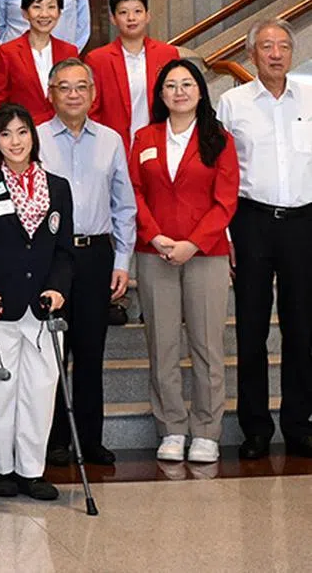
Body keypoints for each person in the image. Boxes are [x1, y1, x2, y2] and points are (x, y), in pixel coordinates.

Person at [0, 103, 75, 501]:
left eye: (22, 132)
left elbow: (65, 251)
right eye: (7, 134)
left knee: (40, 392)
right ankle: (1, 468)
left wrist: (59, 288)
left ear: (33, 136)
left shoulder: (58, 187)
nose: (16, 141)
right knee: (0, 391)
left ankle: (31, 469)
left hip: (44, 309)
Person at [132, 59, 238, 464]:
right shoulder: (144, 137)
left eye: (187, 84)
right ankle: (172, 427)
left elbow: (225, 201)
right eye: (171, 86)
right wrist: (155, 234)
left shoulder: (218, 139)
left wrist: (193, 243)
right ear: (160, 95)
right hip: (154, 251)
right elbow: (135, 193)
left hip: (205, 254)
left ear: (200, 91)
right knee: (162, 344)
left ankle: (207, 429)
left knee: (207, 344)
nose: (179, 91)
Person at [215, 18, 312, 459]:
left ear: (293, 54)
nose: (276, 53)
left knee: (302, 329)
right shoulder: (232, 103)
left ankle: (299, 424)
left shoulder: (310, 96)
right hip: (250, 221)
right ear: (250, 55)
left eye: (283, 46)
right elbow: (221, 172)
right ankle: (254, 428)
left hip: (303, 222)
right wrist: (226, 231)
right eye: (267, 46)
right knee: (251, 328)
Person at [37, 59, 137, 467]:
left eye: (81, 87)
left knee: (91, 351)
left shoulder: (111, 140)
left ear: (93, 94)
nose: (73, 94)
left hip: (96, 254)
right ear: (51, 93)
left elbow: (124, 205)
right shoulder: (36, 138)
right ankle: (56, 439)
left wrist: (122, 260)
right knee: (53, 353)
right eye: (65, 87)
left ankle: (90, 440)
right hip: (51, 257)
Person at [85, 0, 181, 153]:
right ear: (113, 19)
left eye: (138, 11)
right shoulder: (98, 59)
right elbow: (93, 110)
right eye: (123, 13)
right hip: (113, 146)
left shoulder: (167, 54)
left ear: (147, 16)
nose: (131, 18)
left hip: (159, 143)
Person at [0, 0, 80, 125]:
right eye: (37, 7)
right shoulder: (8, 52)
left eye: (51, 7)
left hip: (64, 130)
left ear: (59, 12)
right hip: (24, 132)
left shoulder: (69, 51)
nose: (44, 14)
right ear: (25, 13)